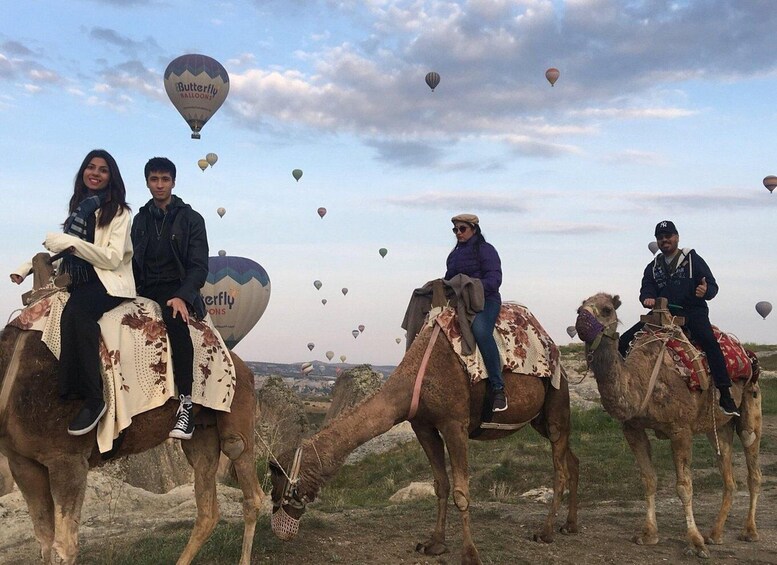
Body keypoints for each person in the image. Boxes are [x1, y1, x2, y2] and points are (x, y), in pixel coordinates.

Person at [10, 149, 135, 435]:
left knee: (76, 315)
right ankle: (59, 389)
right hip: (76, 279)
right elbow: (65, 251)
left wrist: (69, 242)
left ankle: (93, 398)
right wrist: (28, 266)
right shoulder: (81, 208)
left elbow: (112, 257)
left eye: (103, 169)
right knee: (35, 317)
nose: (95, 173)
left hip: (108, 282)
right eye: (90, 167)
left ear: (111, 177)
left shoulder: (119, 212)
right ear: (83, 173)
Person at [618, 220, 739, 417]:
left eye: (668, 236)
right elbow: (646, 286)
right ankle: (626, 389)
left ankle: (725, 394)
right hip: (662, 313)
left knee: (709, 342)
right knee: (623, 341)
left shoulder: (693, 260)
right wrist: (646, 298)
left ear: (677, 237)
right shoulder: (654, 266)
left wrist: (706, 290)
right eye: (660, 237)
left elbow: (712, 285)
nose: (664, 240)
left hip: (692, 312)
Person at [131, 157, 208, 440]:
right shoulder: (139, 220)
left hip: (176, 287)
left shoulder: (191, 219)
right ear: (147, 182)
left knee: (175, 322)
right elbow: (132, 263)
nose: (159, 185)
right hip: (143, 288)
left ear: (174, 182)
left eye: (165, 179)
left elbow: (199, 266)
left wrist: (182, 296)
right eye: (154, 179)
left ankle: (185, 402)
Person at [444, 214, 506, 411]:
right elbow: (449, 279)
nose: (458, 233)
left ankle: (498, 388)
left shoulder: (486, 250)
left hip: (485, 300)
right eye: (455, 230)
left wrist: (472, 286)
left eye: (462, 229)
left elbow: (495, 279)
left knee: (480, 330)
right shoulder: (453, 256)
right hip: (460, 302)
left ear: (474, 229)